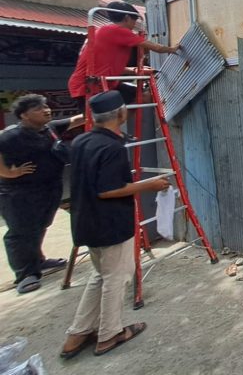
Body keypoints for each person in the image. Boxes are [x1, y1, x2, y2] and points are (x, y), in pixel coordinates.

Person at [60, 91, 170, 359]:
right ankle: (109, 334)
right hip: (109, 223)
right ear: (121, 114)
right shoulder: (111, 148)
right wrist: (150, 185)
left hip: (86, 222)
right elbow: (108, 190)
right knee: (117, 278)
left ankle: (78, 333)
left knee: (100, 276)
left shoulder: (82, 141)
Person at [0, 94, 84, 294]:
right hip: (19, 193)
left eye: (46, 106)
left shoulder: (50, 129)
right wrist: (9, 172)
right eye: (39, 109)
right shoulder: (11, 135)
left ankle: (38, 260)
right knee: (20, 232)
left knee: (39, 226)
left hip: (48, 189)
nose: (46, 110)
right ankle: (25, 274)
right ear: (24, 116)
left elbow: (77, 120)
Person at [67, 1, 180, 111]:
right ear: (126, 18)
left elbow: (109, 66)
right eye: (133, 21)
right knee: (100, 120)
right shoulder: (117, 31)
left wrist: (135, 70)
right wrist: (173, 49)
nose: (134, 25)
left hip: (104, 83)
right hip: (89, 85)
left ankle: (72, 123)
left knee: (144, 97)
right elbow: (157, 48)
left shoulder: (105, 31)